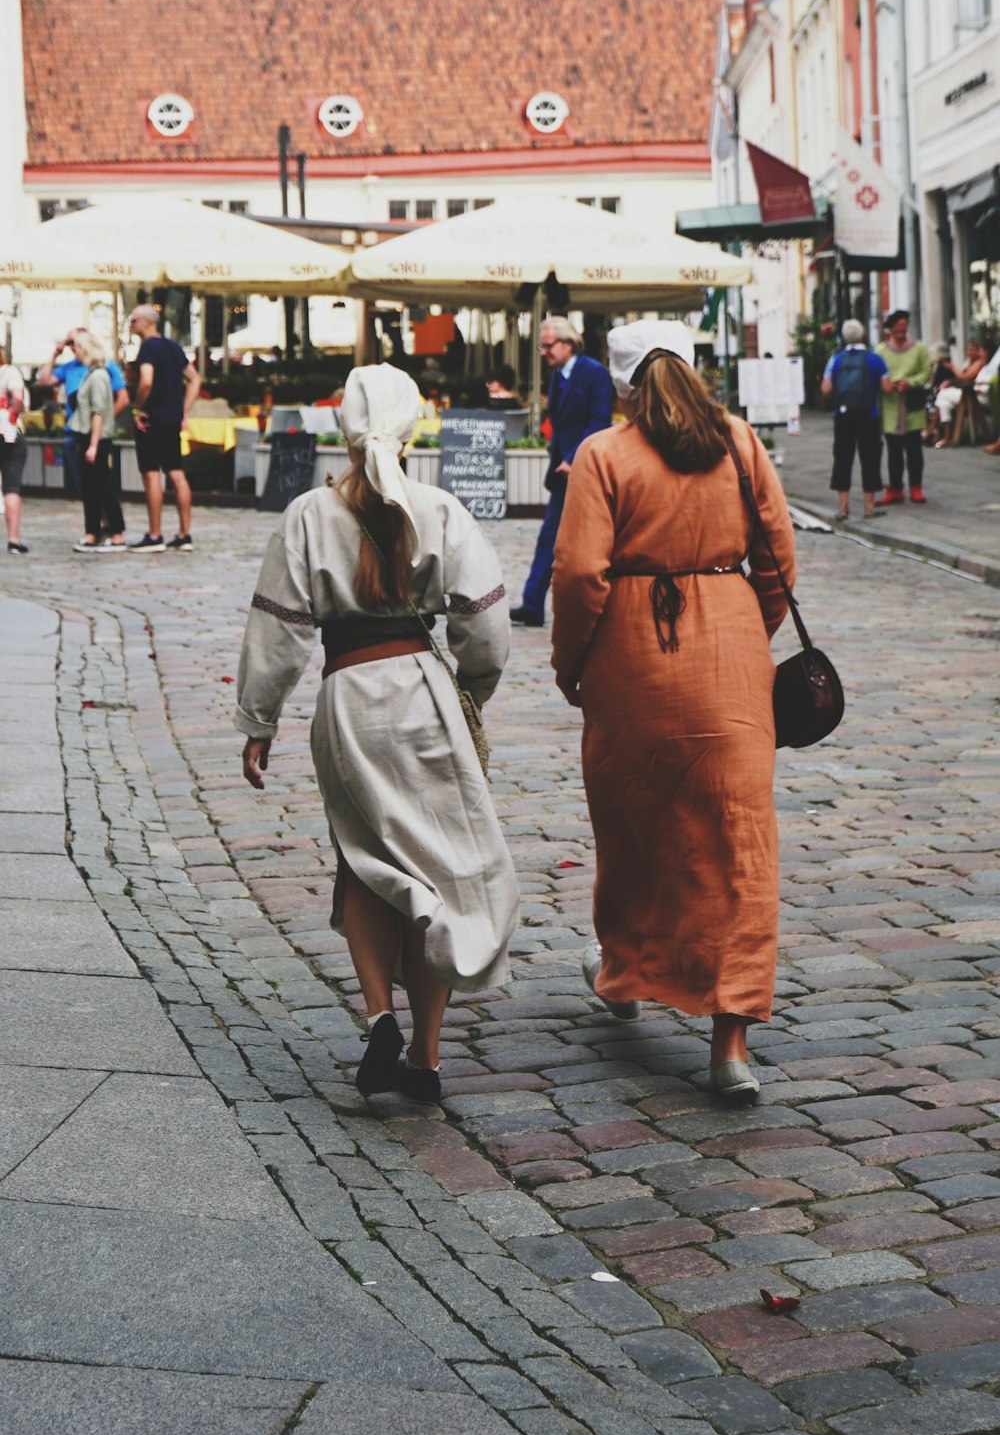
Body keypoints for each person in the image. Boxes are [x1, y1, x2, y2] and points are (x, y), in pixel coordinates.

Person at [235, 363, 519, 1105]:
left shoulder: (306, 514)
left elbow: (280, 632)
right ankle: (424, 1058)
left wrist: (258, 723)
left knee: (363, 861)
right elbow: (485, 631)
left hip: (347, 697)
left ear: (343, 431)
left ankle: (377, 1015)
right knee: (435, 869)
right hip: (423, 693)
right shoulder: (442, 509)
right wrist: (473, 695)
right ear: (414, 424)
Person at [551, 320, 796, 1102]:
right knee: (739, 840)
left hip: (631, 649)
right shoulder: (739, 441)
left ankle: (624, 972)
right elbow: (779, 555)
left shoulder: (605, 453)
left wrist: (572, 664)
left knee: (633, 823)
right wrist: (743, 631)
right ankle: (730, 1042)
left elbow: (579, 573)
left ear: (622, 385)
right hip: (730, 649)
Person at [510, 317, 615, 627]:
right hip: (562, 474)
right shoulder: (558, 375)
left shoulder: (594, 374)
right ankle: (532, 604)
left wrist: (574, 457)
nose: (543, 352)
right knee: (549, 538)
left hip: (585, 470)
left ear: (568, 343)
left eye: (548, 345)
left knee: (597, 540)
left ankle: (603, 603)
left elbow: (599, 422)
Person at [127, 304, 201, 552]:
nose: (131, 324)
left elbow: (146, 381)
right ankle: (184, 534)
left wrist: (137, 408)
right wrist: (183, 410)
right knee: (176, 473)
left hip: (151, 419)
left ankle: (155, 534)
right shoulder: (173, 346)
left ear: (148, 322)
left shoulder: (148, 348)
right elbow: (195, 379)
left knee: (151, 474)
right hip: (171, 419)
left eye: (134, 320)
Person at [36, 327, 129, 498]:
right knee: (83, 485)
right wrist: (54, 355)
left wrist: (102, 423)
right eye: (69, 343)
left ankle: (107, 521)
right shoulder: (69, 367)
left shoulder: (104, 366)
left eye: (75, 343)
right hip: (74, 431)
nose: (72, 347)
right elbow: (43, 381)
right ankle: (95, 519)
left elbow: (123, 399)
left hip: (95, 434)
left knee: (100, 484)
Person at [821, 319, 888, 520]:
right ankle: (869, 507)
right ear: (863, 335)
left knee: (842, 458)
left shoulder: (836, 359)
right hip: (869, 416)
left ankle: (843, 508)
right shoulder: (875, 359)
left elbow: (825, 389)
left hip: (843, 417)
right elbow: (887, 387)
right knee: (870, 459)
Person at [67, 331, 127, 553]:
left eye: (79, 348)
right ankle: (91, 533)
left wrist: (92, 445)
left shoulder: (99, 376)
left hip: (97, 438)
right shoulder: (92, 374)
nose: (77, 352)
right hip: (88, 436)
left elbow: (98, 412)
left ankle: (117, 534)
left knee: (102, 487)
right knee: (90, 488)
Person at [876, 309, 932, 504]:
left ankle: (916, 487)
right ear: (890, 329)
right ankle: (895, 489)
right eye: (898, 327)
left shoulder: (919, 349)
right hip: (890, 408)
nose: (902, 330)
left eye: (904, 326)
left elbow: (926, 372)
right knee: (894, 453)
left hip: (912, 407)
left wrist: (910, 381)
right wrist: (886, 385)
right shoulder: (880, 351)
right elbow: (875, 374)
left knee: (915, 450)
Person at [931, 334, 990, 447]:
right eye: (968, 349)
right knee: (944, 403)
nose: (969, 352)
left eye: (972, 349)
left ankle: (932, 429)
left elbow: (966, 377)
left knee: (942, 394)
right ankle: (946, 437)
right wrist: (951, 381)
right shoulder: (969, 362)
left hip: (972, 396)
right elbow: (961, 377)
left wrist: (952, 367)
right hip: (967, 393)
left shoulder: (979, 363)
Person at [0, 346, 29, 554]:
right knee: (11, 485)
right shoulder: (9, 372)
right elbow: (18, 399)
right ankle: (13, 540)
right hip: (7, 434)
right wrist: (10, 420)